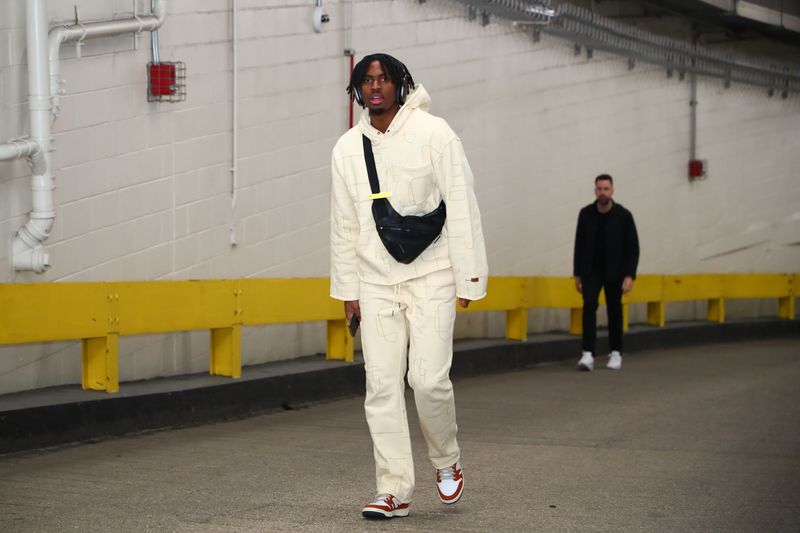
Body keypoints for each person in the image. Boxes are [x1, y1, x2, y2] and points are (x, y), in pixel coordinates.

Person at [329, 53, 488, 519]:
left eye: (384, 79)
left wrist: (469, 275)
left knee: (427, 379)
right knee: (380, 385)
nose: (375, 86)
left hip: (433, 274)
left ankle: (447, 461)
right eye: (367, 80)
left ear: (401, 84)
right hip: (375, 280)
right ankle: (393, 488)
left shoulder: (435, 133)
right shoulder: (346, 148)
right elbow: (343, 224)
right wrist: (348, 290)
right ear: (358, 91)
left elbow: (462, 204)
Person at [573, 174, 639, 371]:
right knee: (589, 307)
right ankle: (587, 354)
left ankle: (616, 352)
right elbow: (579, 245)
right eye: (599, 189)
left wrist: (629, 275)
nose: (602, 192)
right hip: (591, 271)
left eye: (606, 189)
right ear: (595, 191)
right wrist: (577, 274)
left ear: (612, 191)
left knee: (614, 310)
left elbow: (632, 247)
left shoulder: (624, 216)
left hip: (615, 271)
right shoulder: (585, 214)